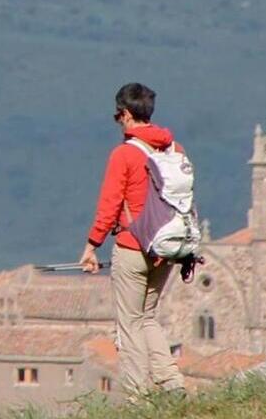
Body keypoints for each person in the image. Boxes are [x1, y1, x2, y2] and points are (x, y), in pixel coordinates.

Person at [79, 82, 185, 396]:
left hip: (132, 247)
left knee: (130, 324)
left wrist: (91, 247)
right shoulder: (175, 150)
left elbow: (109, 205)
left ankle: (137, 398)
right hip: (167, 248)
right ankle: (171, 382)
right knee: (147, 315)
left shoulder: (124, 155)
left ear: (125, 114)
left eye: (117, 116)